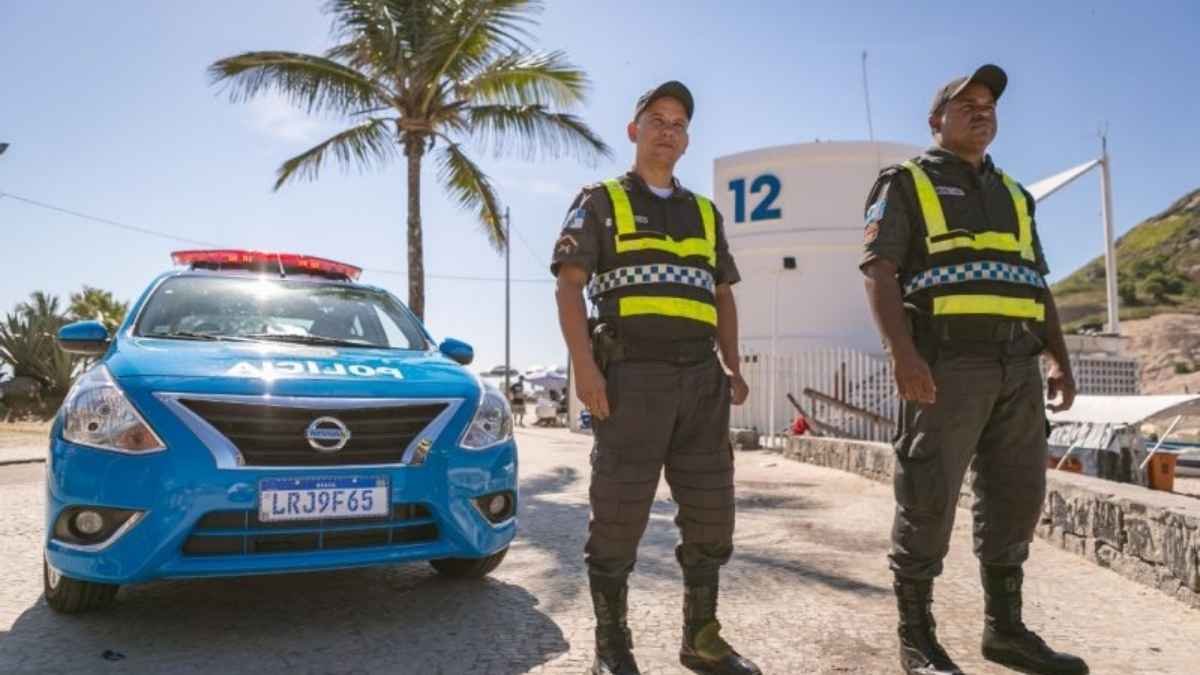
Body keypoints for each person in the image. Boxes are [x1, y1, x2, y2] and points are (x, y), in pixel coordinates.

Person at [860, 64, 1087, 675]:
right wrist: (903, 357)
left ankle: (1005, 632)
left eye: (989, 104)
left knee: (1016, 497)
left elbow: (1036, 283)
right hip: (947, 364)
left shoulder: (1016, 193)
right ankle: (917, 639)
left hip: (1018, 368)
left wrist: (1057, 359)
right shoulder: (905, 182)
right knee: (928, 495)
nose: (982, 111)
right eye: (967, 104)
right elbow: (879, 272)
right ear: (936, 121)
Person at [552, 81, 759, 675]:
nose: (667, 129)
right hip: (631, 377)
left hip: (700, 381)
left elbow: (722, 293)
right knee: (618, 517)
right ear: (634, 130)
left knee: (712, 513)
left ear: (687, 138)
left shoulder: (704, 212)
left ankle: (702, 639)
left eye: (678, 122)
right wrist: (586, 370)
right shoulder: (600, 201)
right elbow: (569, 286)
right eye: (656, 118)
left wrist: (732, 363)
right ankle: (612, 648)